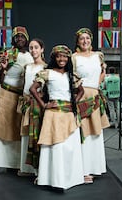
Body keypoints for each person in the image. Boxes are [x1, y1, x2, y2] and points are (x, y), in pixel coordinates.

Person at [29, 45, 85, 190]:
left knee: (68, 147)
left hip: (68, 113)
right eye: (59, 56)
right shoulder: (47, 73)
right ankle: (52, 179)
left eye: (65, 56)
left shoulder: (71, 75)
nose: (62, 59)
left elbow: (81, 91)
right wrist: (43, 105)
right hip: (52, 114)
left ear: (68, 58)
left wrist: (74, 103)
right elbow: (32, 89)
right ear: (54, 58)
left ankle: (70, 179)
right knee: (55, 146)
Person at [0, 26, 34, 170]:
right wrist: (3, 68)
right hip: (6, 95)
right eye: (17, 37)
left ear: (26, 38)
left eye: (22, 36)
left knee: (18, 129)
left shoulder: (33, 55)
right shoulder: (6, 54)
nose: (20, 39)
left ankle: (18, 162)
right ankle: (5, 162)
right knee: (4, 127)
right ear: (13, 39)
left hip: (23, 97)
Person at [71, 27, 109, 184]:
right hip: (81, 96)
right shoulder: (74, 57)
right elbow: (71, 77)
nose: (85, 41)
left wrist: (96, 86)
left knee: (95, 132)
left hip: (94, 95)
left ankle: (95, 167)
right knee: (83, 133)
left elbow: (102, 73)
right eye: (82, 38)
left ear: (91, 40)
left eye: (87, 38)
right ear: (78, 41)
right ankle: (82, 170)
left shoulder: (98, 56)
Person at [19, 38, 47, 176]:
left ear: (42, 49)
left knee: (36, 134)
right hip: (26, 103)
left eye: (36, 47)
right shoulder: (27, 67)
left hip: (37, 104)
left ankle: (38, 169)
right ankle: (26, 168)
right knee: (25, 133)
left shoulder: (46, 68)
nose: (33, 50)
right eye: (31, 48)